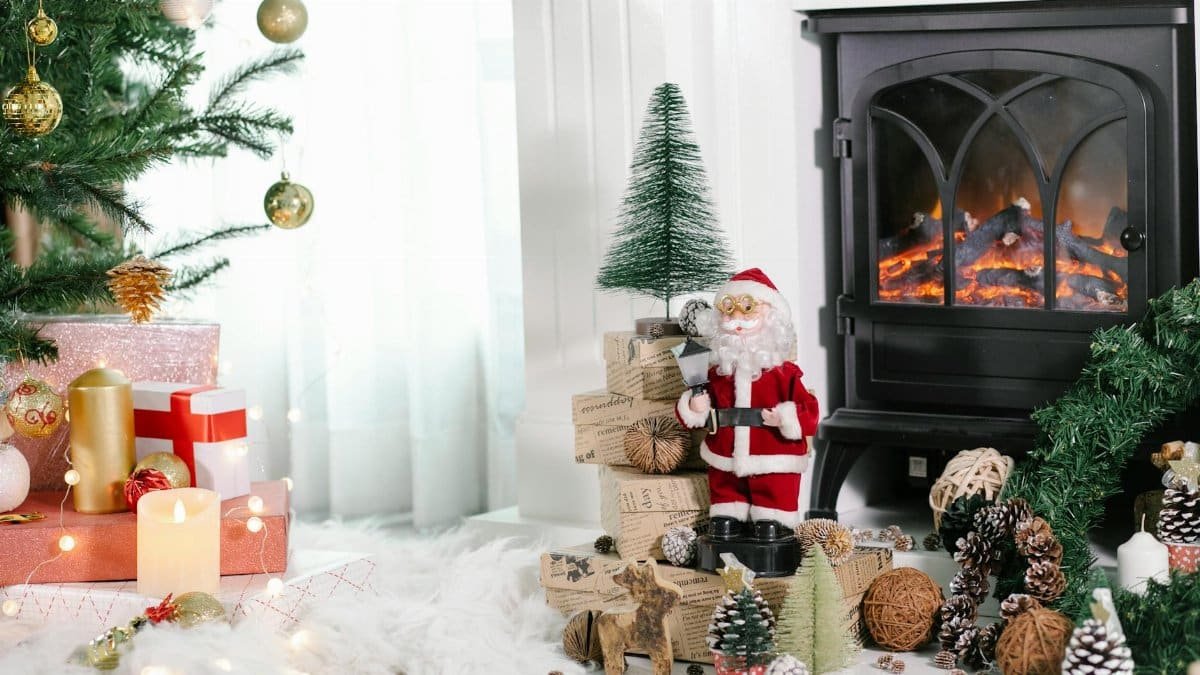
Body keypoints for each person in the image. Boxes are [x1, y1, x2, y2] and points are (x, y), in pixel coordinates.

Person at [675, 268, 819, 540]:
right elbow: (695, 413)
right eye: (728, 310)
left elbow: (810, 411)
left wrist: (785, 418)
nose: (736, 320)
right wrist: (696, 407)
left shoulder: (785, 373)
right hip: (725, 453)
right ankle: (729, 514)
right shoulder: (717, 373)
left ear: (772, 317)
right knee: (725, 488)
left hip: (773, 454)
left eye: (748, 308)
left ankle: (773, 518)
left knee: (774, 491)